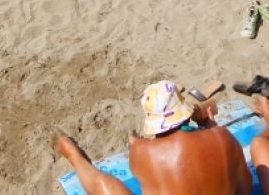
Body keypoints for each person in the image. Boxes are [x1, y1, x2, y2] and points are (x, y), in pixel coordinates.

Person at [55, 80, 251, 195]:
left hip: (154, 142)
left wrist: (137, 144)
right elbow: (245, 188)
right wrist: (210, 127)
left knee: (104, 185)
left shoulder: (142, 152)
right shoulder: (222, 137)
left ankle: (73, 155)